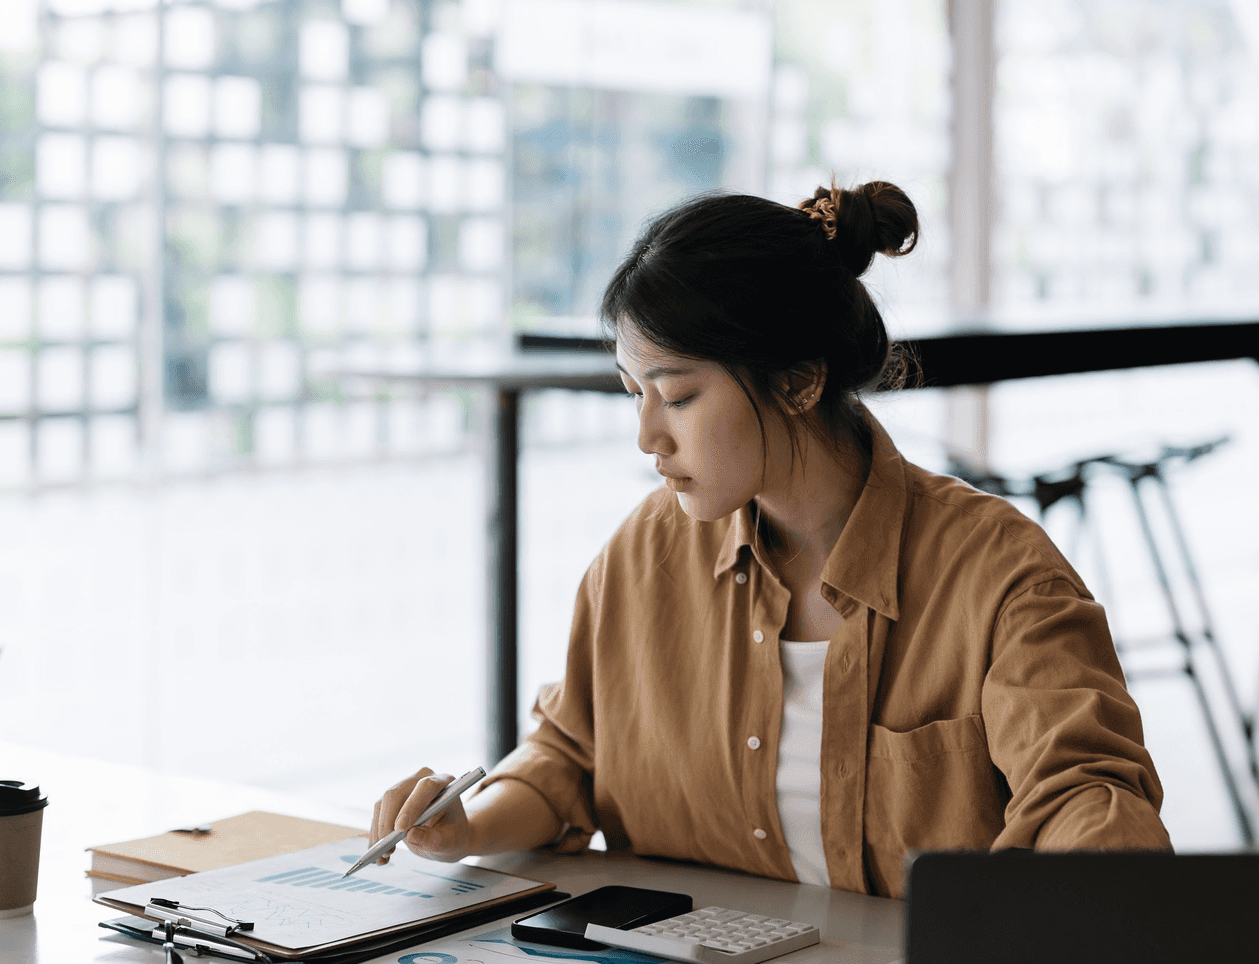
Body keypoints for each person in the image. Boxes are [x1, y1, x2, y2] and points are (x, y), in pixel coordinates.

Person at [371, 181, 1171, 897]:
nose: (647, 435)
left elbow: (1085, 795)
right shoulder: (642, 559)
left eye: (678, 396)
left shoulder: (999, 576)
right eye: (633, 392)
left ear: (798, 380)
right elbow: (567, 757)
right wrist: (466, 826)